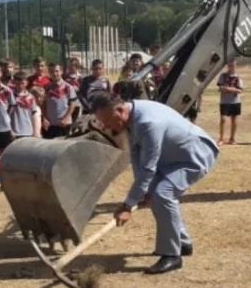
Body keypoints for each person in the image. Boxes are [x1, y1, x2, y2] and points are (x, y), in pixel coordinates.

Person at [90, 91, 219, 275]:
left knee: (162, 194)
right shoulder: (129, 117)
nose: (108, 128)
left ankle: (172, 256)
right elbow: (136, 156)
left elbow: (149, 168)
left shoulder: (148, 123)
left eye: (109, 122)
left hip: (194, 155)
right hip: (172, 157)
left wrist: (128, 205)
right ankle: (182, 243)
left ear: (120, 110)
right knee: (154, 196)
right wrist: (141, 192)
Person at [42, 63, 77, 139]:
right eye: (51, 72)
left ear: (61, 72)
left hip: (63, 123)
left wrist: (66, 118)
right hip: (50, 124)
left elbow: (72, 104)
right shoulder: (47, 88)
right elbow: (44, 103)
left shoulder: (67, 87)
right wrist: (45, 117)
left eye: (57, 71)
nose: (54, 74)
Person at [216, 59, 243, 146]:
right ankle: (221, 138)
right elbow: (220, 87)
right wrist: (227, 89)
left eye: (233, 66)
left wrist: (229, 89)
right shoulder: (223, 76)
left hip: (235, 101)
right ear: (228, 66)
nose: (231, 68)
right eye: (230, 66)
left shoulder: (238, 77)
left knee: (234, 120)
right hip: (224, 101)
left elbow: (240, 90)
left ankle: (232, 138)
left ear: (236, 66)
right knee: (223, 119)